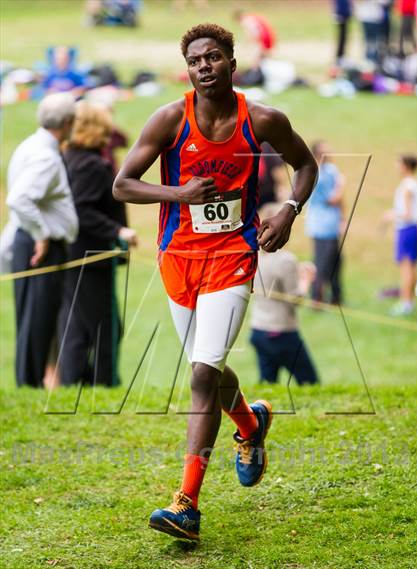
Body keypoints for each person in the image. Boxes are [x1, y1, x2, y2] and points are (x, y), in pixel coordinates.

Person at [113, 23, 317, 541]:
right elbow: (123, 185)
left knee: (203, 375)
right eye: (195, 61)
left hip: (233, 255)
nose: (205, 67)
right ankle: (250, 425)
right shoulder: (170, 118)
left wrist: (289, 211)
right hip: (178, 258)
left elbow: (305, 165)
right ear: (189, 69)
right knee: (211, 368)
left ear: (232, 60)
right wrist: (177, 194)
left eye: (214, 57)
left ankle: (186, 504)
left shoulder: (264, 119)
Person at [59, 102, 137, 387]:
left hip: (75, 254)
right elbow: (83, 210)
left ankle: (75, 382)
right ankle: (104, 383)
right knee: (106, 326)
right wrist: (118, 230)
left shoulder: (71, 157)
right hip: (90, 256)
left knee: (78, 324)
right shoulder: (91, 165)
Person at [6, 93, 78, 388]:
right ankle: (31, 385)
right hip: (41, 248)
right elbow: (19, 199)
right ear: (67, 123)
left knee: (32, 318)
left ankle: (29, 383)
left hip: (30, 242)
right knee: (38, 320)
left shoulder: (30, 145)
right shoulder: (46, 157)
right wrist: (42, 235)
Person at [251, 203, 319, 386]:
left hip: (258, 329)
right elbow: (294, 300)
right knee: (310, 382)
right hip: (281, 332)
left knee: (267, 384)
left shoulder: (252, 255)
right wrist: (306, 280)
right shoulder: (285, 260)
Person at [305, 140, 344, 305]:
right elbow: (333, 199)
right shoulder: (314, 174)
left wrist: (343, 218)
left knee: (337, 262)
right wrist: (342, 186)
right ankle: (316, 299)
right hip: (320, 226)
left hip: (332, 224)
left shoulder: (331, 170)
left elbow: (340, 199)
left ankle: (336, 298)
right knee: (322, 263)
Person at [384, 154, 417, 315]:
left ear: (405, 166)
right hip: (412, 229)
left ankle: (405, 303)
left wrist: (392, 215)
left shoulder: (407, 186)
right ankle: (409, 301)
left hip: (406, 229)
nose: (397, 167)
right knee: (411, 267)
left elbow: (406, 213)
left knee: (406, 268)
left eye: (399, 164)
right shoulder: (414, 184)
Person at [333, 0, 353, 67]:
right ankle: (340, 57)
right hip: (341, 16)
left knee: (344, 37)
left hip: (343, 16)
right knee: (342, 38)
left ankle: (341, 56)